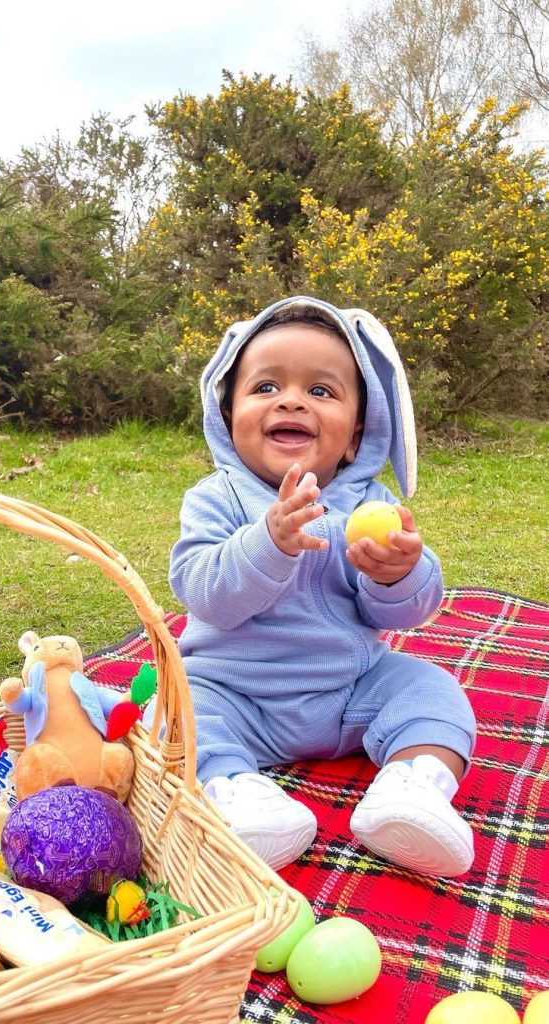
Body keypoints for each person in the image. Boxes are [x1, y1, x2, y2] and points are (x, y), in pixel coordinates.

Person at [170, 296, 476, 877]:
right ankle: (241, 797)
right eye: (264, 387)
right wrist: (269, 540)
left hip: (351, 691)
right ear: (227, 418)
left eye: (321, 391)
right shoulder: (215, 501)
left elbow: (411, 612)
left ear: (358, 434)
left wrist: (399, 573)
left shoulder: (372, 505)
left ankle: (412, 788)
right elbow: (203, 591)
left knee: (432, 690)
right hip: (239, 696)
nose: (290, 399)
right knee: (180, 717)